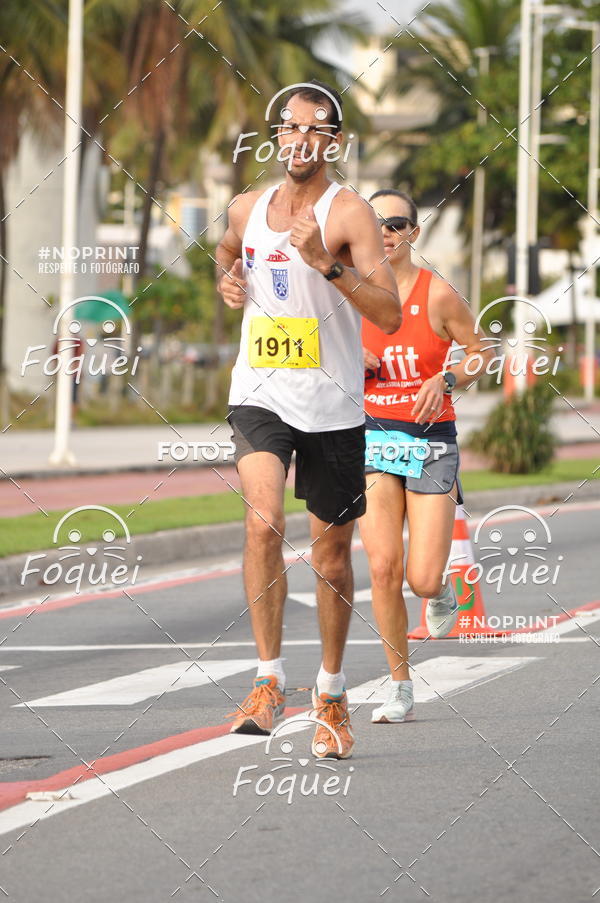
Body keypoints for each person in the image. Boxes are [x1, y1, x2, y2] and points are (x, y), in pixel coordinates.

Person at [215, 81, 402, 758]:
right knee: (262, 521)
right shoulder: (247, 206)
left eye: (315, 130)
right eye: (290, 127)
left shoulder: (349, 212)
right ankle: (268, 681)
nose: (300, 140)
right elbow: (227, 249)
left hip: (332, 407)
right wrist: (227, 280)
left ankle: (330, 691)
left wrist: (326, 263)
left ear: (334, 142)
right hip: (260, 393)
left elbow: (389, 312)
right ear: (276, 137)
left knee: (330, 557)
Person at [360, 189, 492, 724]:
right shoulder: (349, 295)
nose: (385, 233)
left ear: (413, 233)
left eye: (395, 224)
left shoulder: (437, 293)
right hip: (371, 438)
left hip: (430, 440)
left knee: (423, 579)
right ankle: (399, 686)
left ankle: (439, 594)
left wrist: (447, 378)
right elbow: (311, 352)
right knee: (383, 568)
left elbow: (481, 351)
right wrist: (348, 358)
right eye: (375, 224)